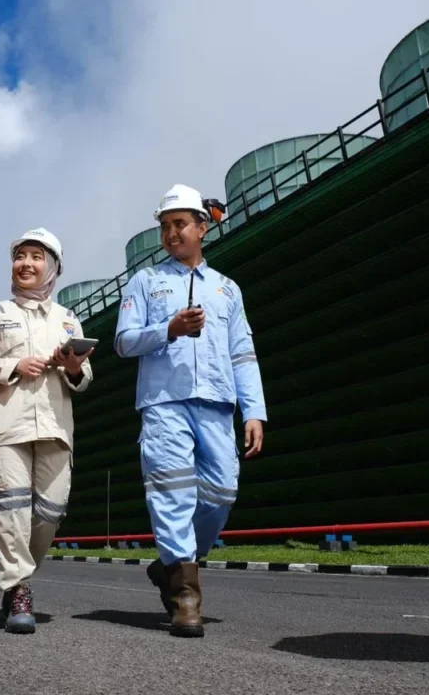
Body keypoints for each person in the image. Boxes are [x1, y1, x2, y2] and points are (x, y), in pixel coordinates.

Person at [113, 183, 267, 638]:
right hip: (164, 405)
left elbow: (243, 352)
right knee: (173, 493)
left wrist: (254, 410)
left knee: (222, 493)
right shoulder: (145, 282)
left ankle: (170, 565)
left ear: (203, 227)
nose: (171, 233)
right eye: (165, 226)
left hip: (218, 405)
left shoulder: (227, 289)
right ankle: (185, 594)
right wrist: (169, 329)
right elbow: (124, 342)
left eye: (180, 224)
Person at [0, 228, 94, 634]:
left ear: (52, 267)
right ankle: (19, 588)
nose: (26, 264)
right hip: (6, 426)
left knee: (51, 511)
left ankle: (18, 574)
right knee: (12, 509)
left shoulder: (67, 320)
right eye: (20, 256)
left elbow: (85, 377)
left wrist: (73, 367)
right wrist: (12, 366)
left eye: (36, 256)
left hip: (55, 426)